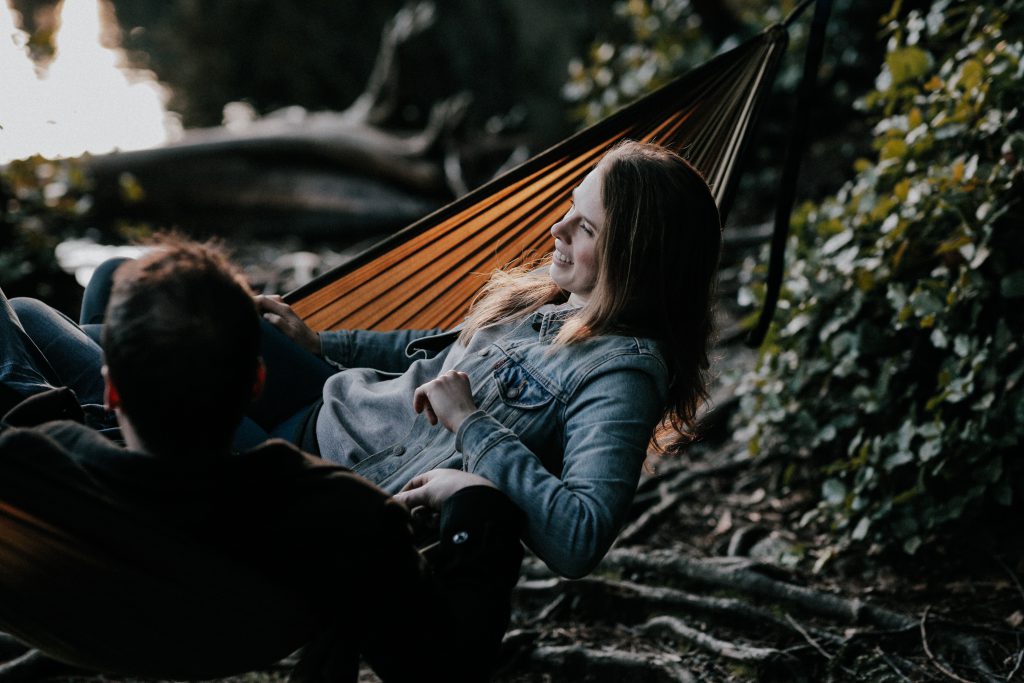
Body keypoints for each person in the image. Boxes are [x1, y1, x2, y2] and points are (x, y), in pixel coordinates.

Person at [0, 237, 524, 682]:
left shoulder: (30, 469)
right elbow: (441, 667)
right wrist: (476, 505)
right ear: (256, 381)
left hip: (100, 535)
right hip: (231, 601)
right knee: (28, 312)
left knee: (21, 313)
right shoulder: (343, 514)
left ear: (112, 390)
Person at [249, 140, 723, 579]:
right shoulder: (558, 290)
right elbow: (440, 349)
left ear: (633, 260)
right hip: (328, 400)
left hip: (328, 479)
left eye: (586, 228)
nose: (558, 228)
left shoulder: (622, 375)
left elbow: (580, 537)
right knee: (222, 317)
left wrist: (470, 422)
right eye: (573, 205)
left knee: (181, 416)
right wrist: (324, 344)